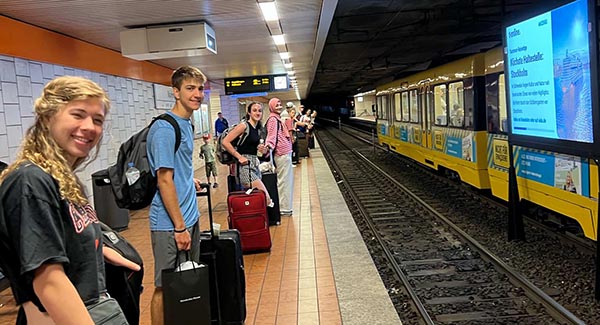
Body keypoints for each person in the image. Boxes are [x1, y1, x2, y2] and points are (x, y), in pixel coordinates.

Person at [0, 76, 139, 324]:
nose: (90, 127)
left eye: (97, 120)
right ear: (47, 117)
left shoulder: (63, 179)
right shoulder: (30, 182)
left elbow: (61, 237)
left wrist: (97, 250)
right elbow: (49, 281)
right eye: (78, 114)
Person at [147, 66, 205, 325]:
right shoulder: (165, 128)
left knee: (186, 280)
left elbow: (175, 169)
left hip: (189, 217)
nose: (197, 94)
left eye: (200, 88)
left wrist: (188, 178)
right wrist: (179, 227)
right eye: (190, 88)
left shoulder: (186, 124)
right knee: (164, 285)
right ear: (175, 91)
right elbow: (163, 179)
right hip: (169, 224)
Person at [222, 102, 274, 207]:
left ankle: (255, 221)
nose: (257, 113)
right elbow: (225, 142)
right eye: (254, 110)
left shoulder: (258, 129)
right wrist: (239, 156)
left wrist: (262, 149)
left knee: (256, 199)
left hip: (255, 164)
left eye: (259, 111)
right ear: (249, 113)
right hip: (245, 167)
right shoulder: (243, 126)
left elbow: (252, 148)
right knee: (266, 198)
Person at [265, 98, 294, 216]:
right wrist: (268, 147)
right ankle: (284, 208)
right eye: (276, 105)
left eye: (280, 104)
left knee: (286, 181)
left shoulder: (276, 118)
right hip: (281, 154)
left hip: (285, 153)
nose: (279, 106)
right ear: (271, 107)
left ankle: (286, 207)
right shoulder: (273, 119)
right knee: (284, 182)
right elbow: (271, 136)